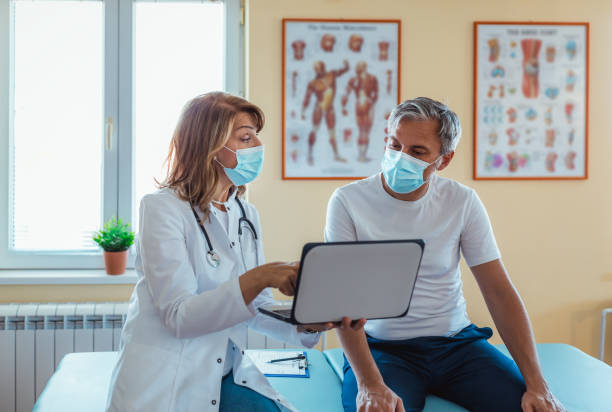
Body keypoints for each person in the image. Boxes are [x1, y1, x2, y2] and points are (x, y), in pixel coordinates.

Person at [106, 92, 364, 412]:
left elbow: (255, 307)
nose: (257, 147)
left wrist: (309, 322)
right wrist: (260, 277)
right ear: (209, 146)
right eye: (245, 137)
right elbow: (179, 317)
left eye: (256, 137)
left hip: (225, 370)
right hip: (167, 381)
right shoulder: (162, 208)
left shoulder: (244, 213)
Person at [325, 97, 566, 412]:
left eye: (417, 151)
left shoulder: (461, 202)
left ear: (444, 159)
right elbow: (343, 299)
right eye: (394, 144)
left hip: (457, 347)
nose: (400, 157)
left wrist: (538, 384)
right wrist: (370, 384)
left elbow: (498, 291)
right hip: (384, 350)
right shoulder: (347, 202)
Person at [301, 60, 350, 165]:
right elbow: (307, 98)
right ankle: (309, 154)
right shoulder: (313, 83)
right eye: (317, 68)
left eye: (321, 67)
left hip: (329, 108)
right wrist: (303, 111)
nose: (319, 70)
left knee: (332, 131)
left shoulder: (331, 75)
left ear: (323, 67)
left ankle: (336, 155)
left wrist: (346, 65)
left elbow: (343, 71)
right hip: (319, 108)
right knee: (314, 130)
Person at [341, 61, 379, 163]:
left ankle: (361, 155)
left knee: (363, 130)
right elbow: (346, 93)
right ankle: (362, 155)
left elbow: (345, 94)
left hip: (362, 103)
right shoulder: (366, 79)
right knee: (365, 131)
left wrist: (343, 106)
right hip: (365, 103)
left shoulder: (360, 79)